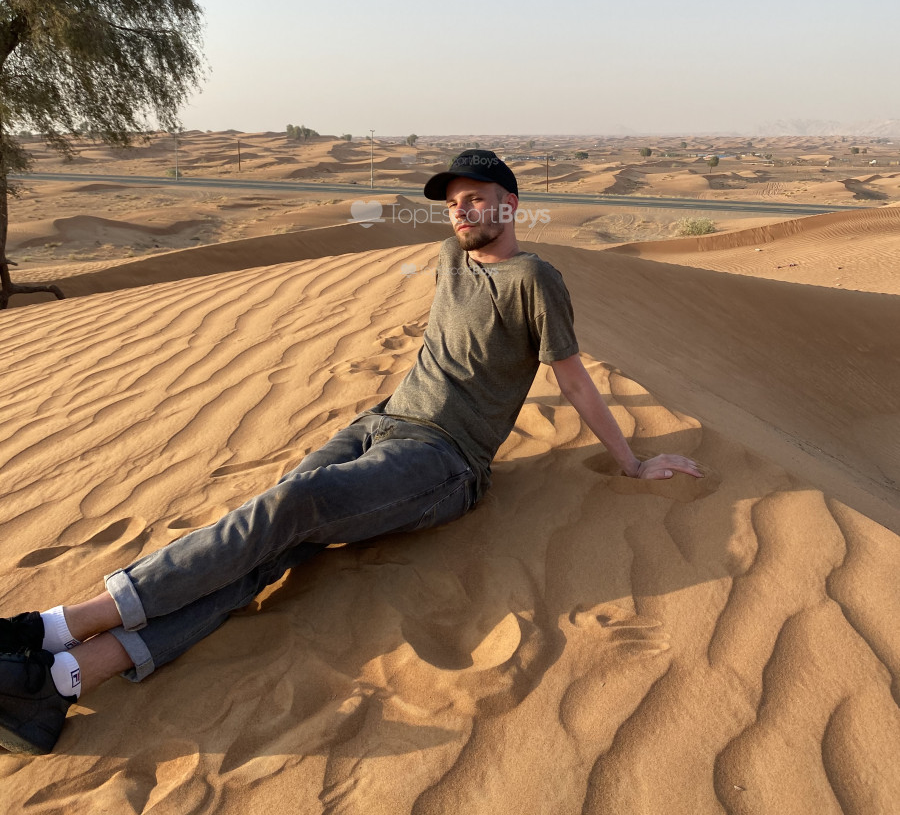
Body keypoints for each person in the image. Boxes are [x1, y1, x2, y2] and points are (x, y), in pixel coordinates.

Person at [0, 149, 703, 755]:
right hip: (381, 422)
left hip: (444, 460)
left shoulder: (535, 280)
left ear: (510, 205)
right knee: (269, 535)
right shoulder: (449, 259)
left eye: (475, 200)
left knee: (291, 507)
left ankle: (52, 627)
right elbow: (462, 352)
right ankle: (64, 681)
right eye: (453, 205)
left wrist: (633, 462)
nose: (461, 213)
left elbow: (572, 377)